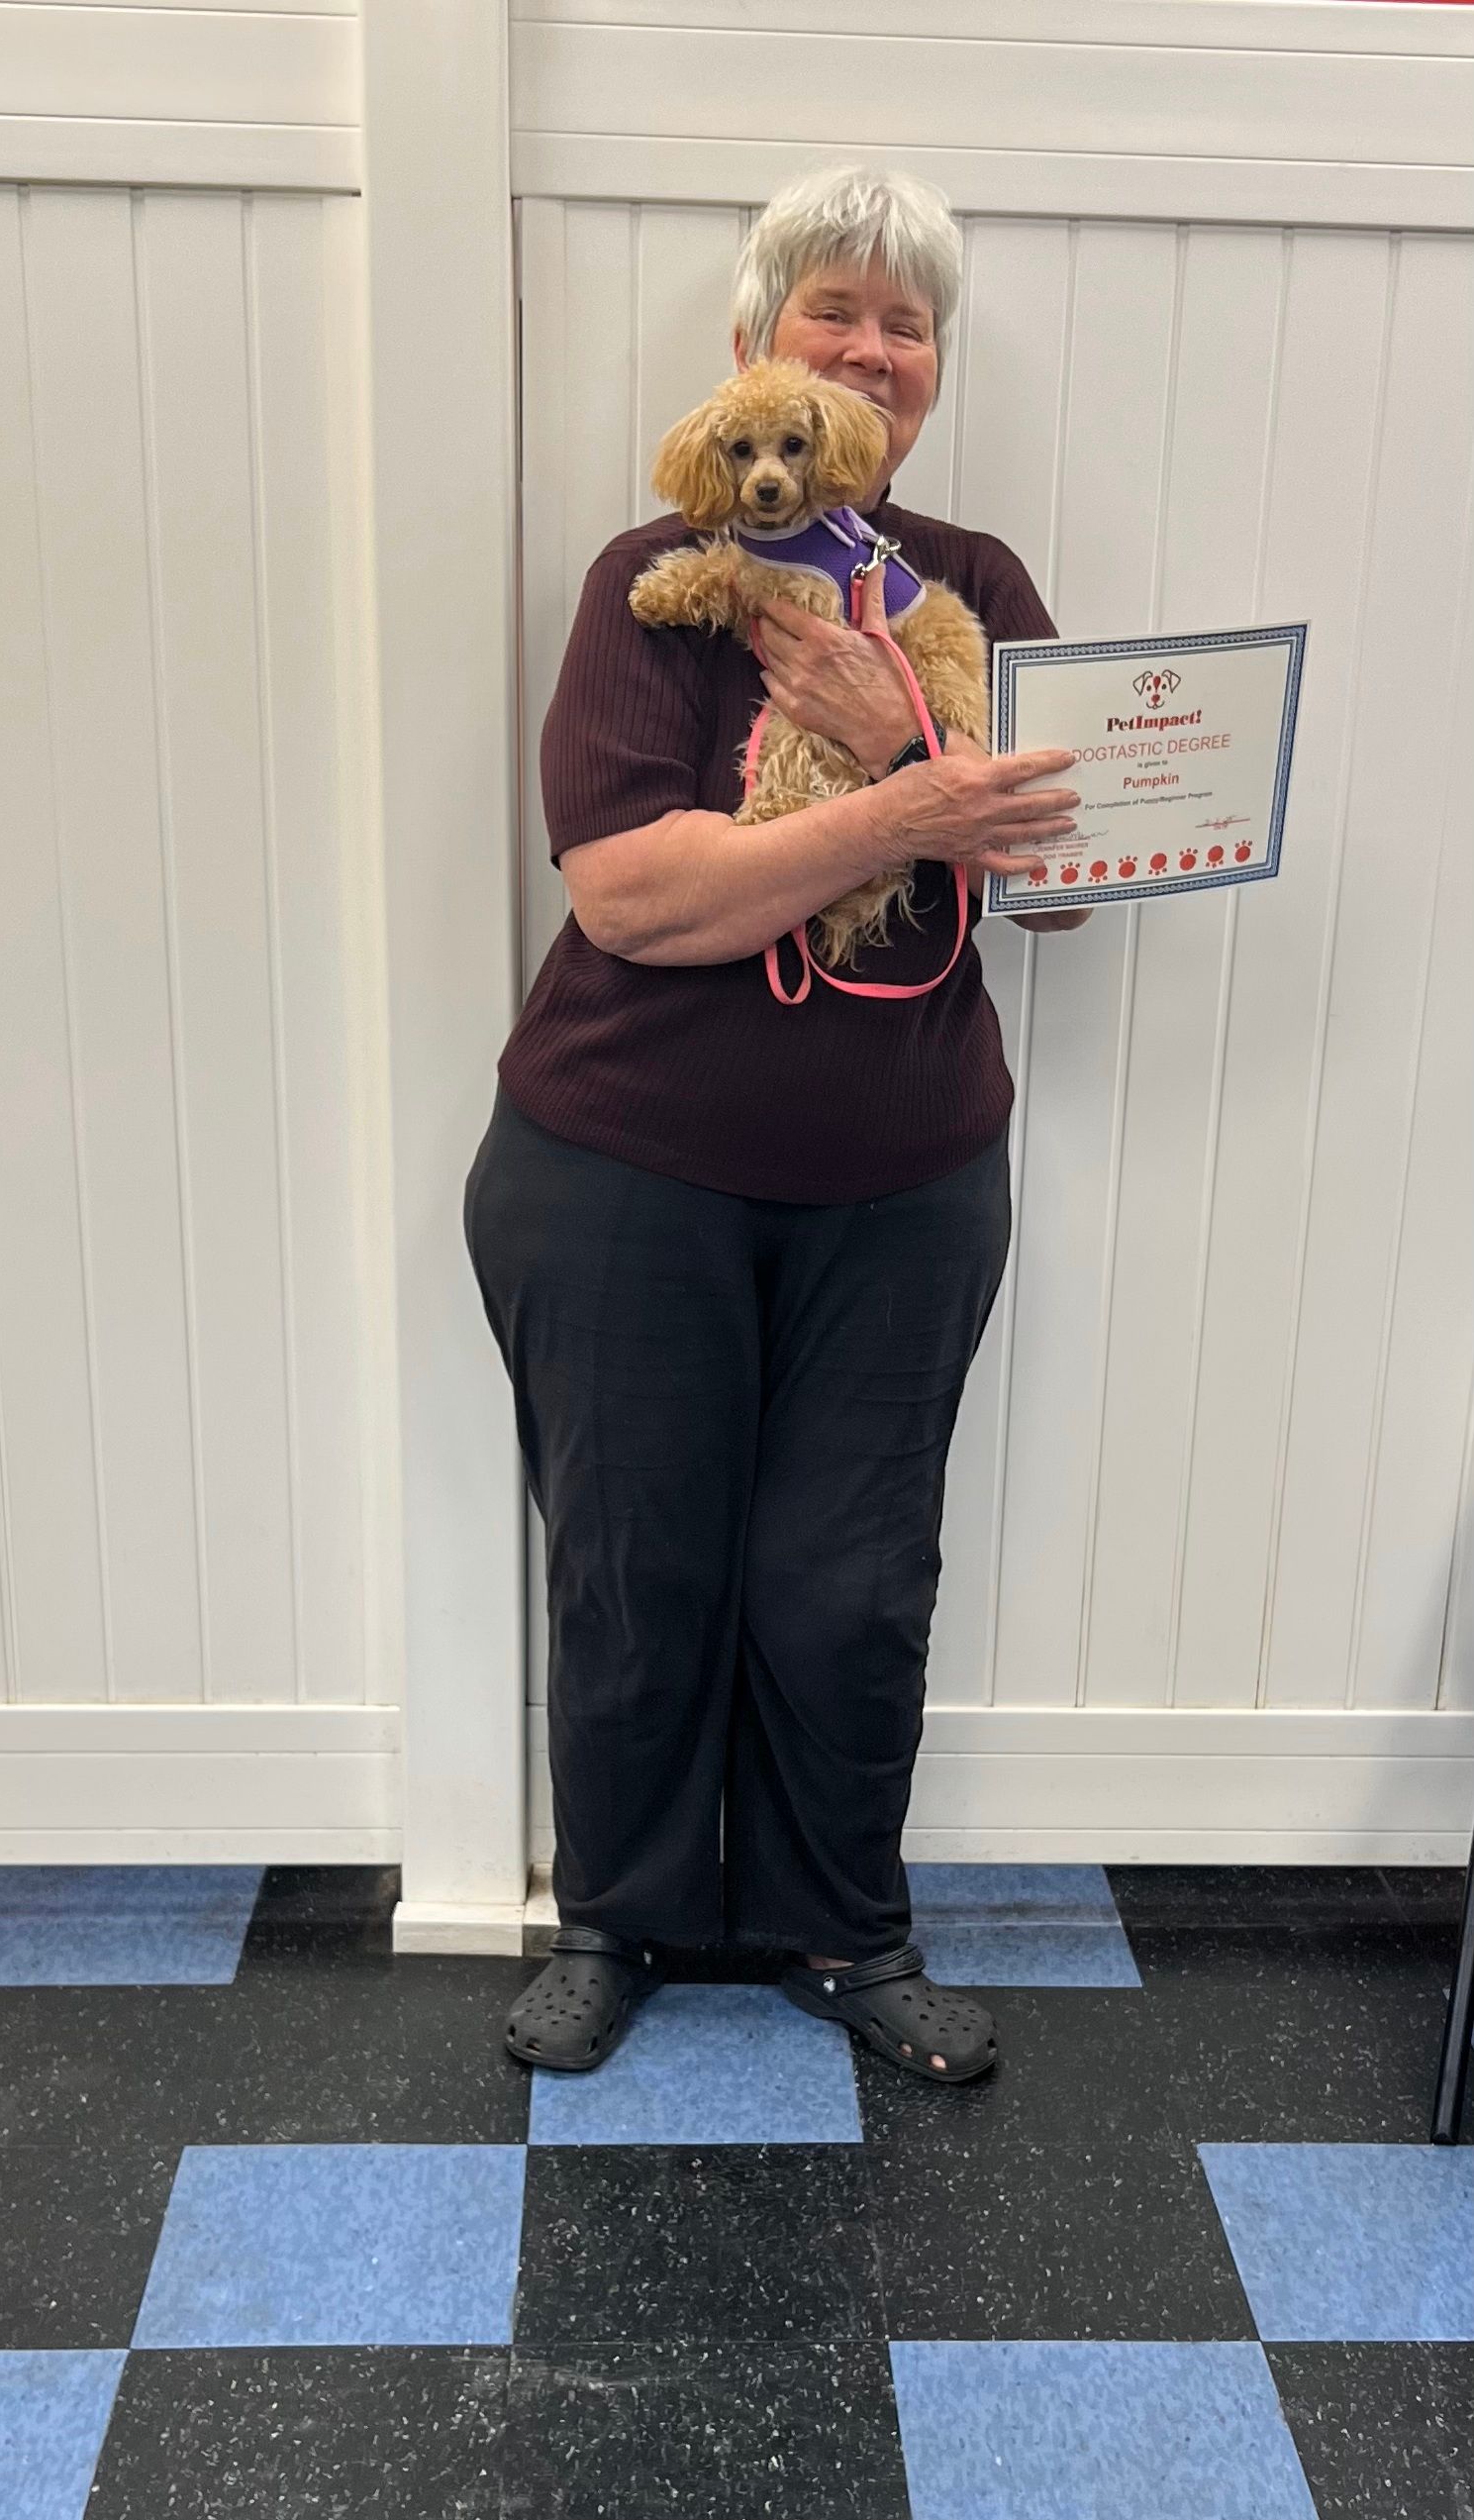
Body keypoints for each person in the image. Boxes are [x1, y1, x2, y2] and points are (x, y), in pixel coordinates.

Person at [463, 163, 1089, 2082]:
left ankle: (847, 1926)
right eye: (836, 311)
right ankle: (620, 1918)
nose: (873, 348)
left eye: (907, 325)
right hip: (617, 1167)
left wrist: (913, 751)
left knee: (851, 1575)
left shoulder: (973, 590)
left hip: (903, 1182)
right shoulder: (652, 583)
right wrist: (908, 813)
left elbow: (1062, 878)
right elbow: (636, 894)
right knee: (639, 1564)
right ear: (753, 349)